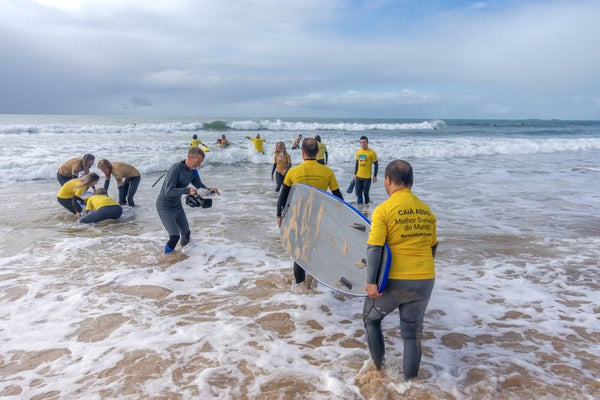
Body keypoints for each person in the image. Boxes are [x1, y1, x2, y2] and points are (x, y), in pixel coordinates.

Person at [362, 160, 437, 380]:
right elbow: (433, 247)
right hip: (425, 279)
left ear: (387, 180)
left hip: (395, 280)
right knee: (412, 335)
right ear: (411, 182)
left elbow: (374, 248)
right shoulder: (426, 211)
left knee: (370, 319)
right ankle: (409, 385)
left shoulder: (384, 210)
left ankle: (381, 370)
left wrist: (372, 282)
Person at [277, 138, 344, 291]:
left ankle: (300, 285)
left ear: (302, 153)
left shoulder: (293, 172)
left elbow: (283, 196)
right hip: (320, 219)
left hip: (298, 217)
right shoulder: (327, 172)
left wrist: (279, 215)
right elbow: (338, 197)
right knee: (315, 249)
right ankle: (316, 282)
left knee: (298, 251)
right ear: (318, 152)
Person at [156, 147, 220, 254]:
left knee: (186, 235)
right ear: (190, 158)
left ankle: (183, 257)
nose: (199, 165)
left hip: (177, 206)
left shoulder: (193, 171)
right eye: (198, 162)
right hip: (164, 207)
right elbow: (168, 191)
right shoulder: (176, 169)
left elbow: (200, 186)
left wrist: (210, 190)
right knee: (174, 236)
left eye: (201, 163)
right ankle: (166, 260)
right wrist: (187, 190)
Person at [354, 136, 378, 204]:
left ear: (367, 143)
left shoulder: (372, 152)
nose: (363, 144)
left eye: (364, 142)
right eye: (361, 142)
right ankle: (360, 207)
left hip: (367, 177)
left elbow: (376, 164)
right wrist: (355, 173)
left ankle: (367, 208)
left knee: (366, 194)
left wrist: (375, 176)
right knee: (358, 194)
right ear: (360, 143)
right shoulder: (358, 152)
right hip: (358, 176)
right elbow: (357, 163)